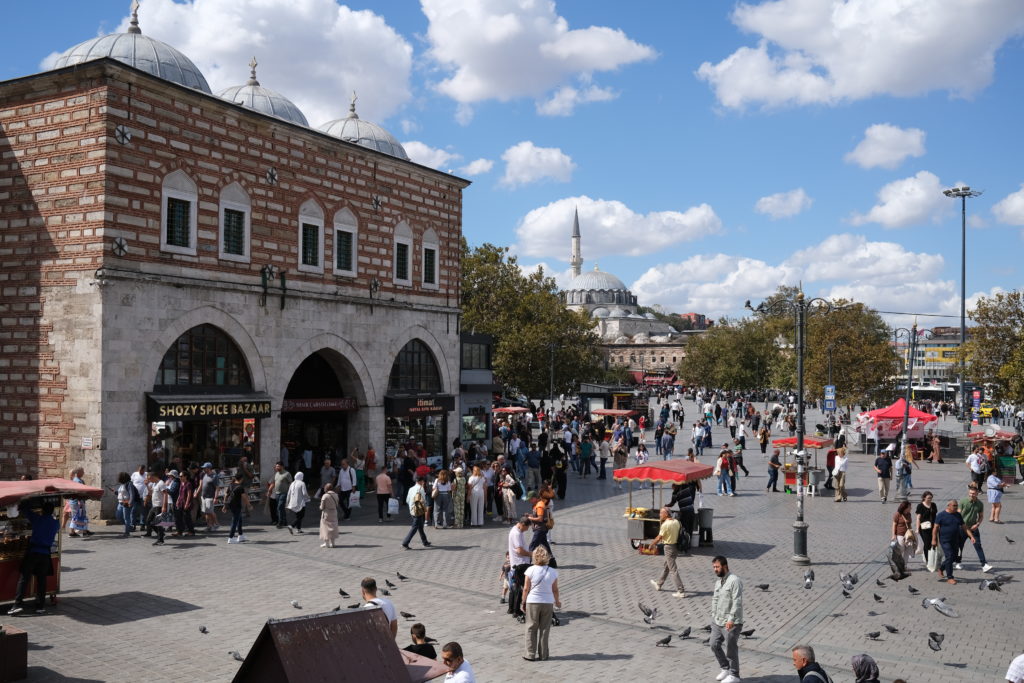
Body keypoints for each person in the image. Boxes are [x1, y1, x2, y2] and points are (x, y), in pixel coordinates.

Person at [6, 501, 59, 615]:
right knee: (42, 580)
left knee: (24, 578)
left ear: (42, 511)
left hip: (33, 552)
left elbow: (26, 510)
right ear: (52, 512)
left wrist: (26, 502)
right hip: (45, 554)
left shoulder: (38, 519)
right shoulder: (56, 523)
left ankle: (17, 604)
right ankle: (40, 606)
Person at [522, 546, 560, 662]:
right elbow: (555, 590)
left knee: (531, 627)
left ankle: (530, 654)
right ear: (547, 557)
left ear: (534, 557)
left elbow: (526, 588)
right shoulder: (553, 572)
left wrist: (523, 601)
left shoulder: (530, 570)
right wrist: (557, 601)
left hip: (533, 601)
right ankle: (543, 654)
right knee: (545, 629)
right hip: (547, 602)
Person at [710, 555, 743, 683]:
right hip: (717, 620)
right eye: (714, 567)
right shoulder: (718, 582)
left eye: (717, 567)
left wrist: (731, 619)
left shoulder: (735, 581)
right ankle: (725, 668)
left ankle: (734, 675)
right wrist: (714, 615)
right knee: (713, 644)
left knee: (731, 648)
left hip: (731, 622)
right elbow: (715, 599)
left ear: (725, 566)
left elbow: (737, 601)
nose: (715, 569)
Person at [649, 506, 686, 597]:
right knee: (667, 566)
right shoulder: (676, 522)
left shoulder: (665, 525)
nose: (659, 515)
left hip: (668, 548)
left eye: (661, 513)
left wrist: (652, 544)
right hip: (676, 547)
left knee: (673, 569)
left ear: (666, 514)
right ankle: (659, 584)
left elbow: (659, 537)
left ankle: (681, 591)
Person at [934, 499, 972, 584]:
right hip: (944, 540)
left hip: (955, 540)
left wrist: (971, 536)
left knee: (953, 557)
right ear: (948, 506)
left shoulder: (958, 515)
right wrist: (934, 539)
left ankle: (941, 568)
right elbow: (935, 528)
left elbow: (964, 526)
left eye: (956, 506)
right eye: (954, 505)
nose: (956, 507)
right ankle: (950, 577)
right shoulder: (941, 515)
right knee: (950, 556)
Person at [957, 484, 993, 573]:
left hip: (973, 528)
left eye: (973, 493)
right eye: (970, 493)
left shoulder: (980, 504)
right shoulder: (963, 501)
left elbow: (981, 516)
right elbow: (958, 514)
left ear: (977, 493)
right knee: (960, 546)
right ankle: (958, 562)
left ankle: (984, 565)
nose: (971, 495)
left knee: (978, 545)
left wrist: (977, 524)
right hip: (962, 528)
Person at [508, 515, 533, 620]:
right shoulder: (517, 533)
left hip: (519, 564)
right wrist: (530, 554)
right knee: (521, 588)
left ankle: (512, 609)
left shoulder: (517, 530)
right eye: (526, 527)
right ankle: (517, 610)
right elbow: (519, 551)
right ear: (522, 524)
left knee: (516, 587)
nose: (527, 530)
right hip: (520, 564)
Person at [401, 475, 432, 550]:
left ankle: (425, 541)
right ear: (421, 481)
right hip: (418, 510)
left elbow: (407, 500)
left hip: (412, 510)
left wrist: (411, 506)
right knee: (415, 527)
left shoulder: (411, 488)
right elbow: (423, 500)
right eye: (423, 481)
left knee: (420, 526)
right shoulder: (420, 488)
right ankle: (405, 543)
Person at [527, 486, 554, 559]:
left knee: (532, 546)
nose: (529, 501)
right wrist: (531, 515)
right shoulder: (538, 504)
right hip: (542, 529)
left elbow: (540, 519)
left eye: (530, 499)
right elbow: (538, 515)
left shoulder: (539, 506)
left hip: (540, 529)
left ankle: (528, 561)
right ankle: (552, 560)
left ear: (534, 498)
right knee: (545, 544)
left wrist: (530, 518)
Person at [145, 468, 169, 545]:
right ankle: (161, 534)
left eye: (149, 478)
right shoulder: (155, 484)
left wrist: (164, 506)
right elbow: (151, 492)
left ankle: (160, 540)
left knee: (158, 523)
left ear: (154, 476)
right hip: (154, 506)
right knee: (149, 521)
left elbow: (165, 494)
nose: (149, 480)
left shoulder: (161, 483)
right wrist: (147, 485)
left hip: (159, 506)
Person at [66, 467, 92, 537]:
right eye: (82, 471)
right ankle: (73, 532)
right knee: (77, 517)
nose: (83, 473)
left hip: (77, 501)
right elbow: (80, 492)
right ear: (78, 473)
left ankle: (84, 531)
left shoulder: (77, 480)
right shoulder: (78, 481)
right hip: (77, 502)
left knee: (80, 516)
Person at [226, 473, 251, 543]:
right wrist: (249, 505)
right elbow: (244, 497)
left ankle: (240, 536)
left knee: (239, 520)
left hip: (231, 505)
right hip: (237, 505)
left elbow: (226, 495)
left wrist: (224, 505)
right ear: (241, 479)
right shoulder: (240, 487)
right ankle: (230, 538)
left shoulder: (230, 485)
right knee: (234, 521)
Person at [891, 501, 915, 573]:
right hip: (900, 534)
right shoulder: (897, 514)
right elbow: (894, 524)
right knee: (901, 549)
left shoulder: (909, 514)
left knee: (907, 549)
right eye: (910, 507)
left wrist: (912, 533)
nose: (911, 508)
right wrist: (893, 535)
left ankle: (904, 566)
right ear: (905, 508)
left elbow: (909, 524)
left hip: (908, 535)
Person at [916, 491, 938, 568]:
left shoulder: (933, 505)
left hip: (933, 527)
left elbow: (935, 515)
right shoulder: (920, 506)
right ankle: (927, 560)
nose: (930, 499)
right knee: (927, 543)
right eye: (928, 498)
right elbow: (918, 518)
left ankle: (933, 558)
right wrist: (917, 528)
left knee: (934, 543)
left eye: (931, 498)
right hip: (924, 528)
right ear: (924, 498)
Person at [271, 462, 292, 529]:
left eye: (278, 466)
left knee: (279, 507)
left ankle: (280, 522)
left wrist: (290, 492)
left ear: (282, 466)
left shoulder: (287, 474)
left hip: (284, 493)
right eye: (276, 466)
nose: (277, 467)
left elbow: (290, 483)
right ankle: (285, 521)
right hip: (277, 493)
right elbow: (274, 482)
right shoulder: (276, 474)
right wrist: (269, 490)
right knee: (281, 508)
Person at [199, 463, 220, 532]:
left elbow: (217, 488)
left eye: (205, 468)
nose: (203, 469)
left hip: (210, 497)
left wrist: (215, 498)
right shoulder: (204, 475)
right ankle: (209, 526)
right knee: (206, 512)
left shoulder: (214, 476)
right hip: (204, 496)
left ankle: (216, 524)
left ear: (209, 468)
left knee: (210, 512)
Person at [319, 482, 339, 548]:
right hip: (334, 513)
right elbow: (337, 504)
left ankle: (326, 543)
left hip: (326, 513)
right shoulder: (336, 495)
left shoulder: (325, 496)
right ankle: (333, 543)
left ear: (326, 488)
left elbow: (322, 507)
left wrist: (320, 507)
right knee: (333, 527)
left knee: (325, 528)